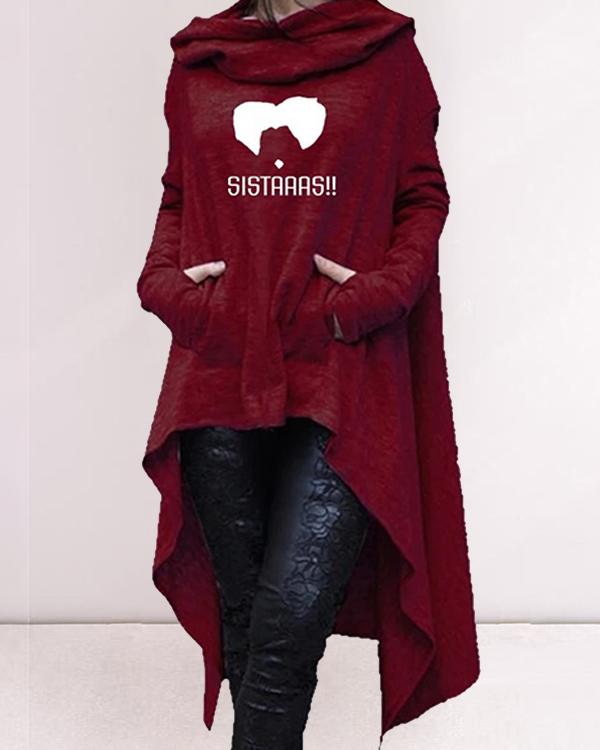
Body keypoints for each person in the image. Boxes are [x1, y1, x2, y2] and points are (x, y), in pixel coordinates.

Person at [135, 1, 480, 749]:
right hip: (219, 373)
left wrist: (375, 295)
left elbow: (422, 196)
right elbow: (179, 196)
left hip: (340, 375)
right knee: (248, 626)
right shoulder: (200, 60)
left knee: (287, 628)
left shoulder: (385, 54)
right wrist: (165, 287)